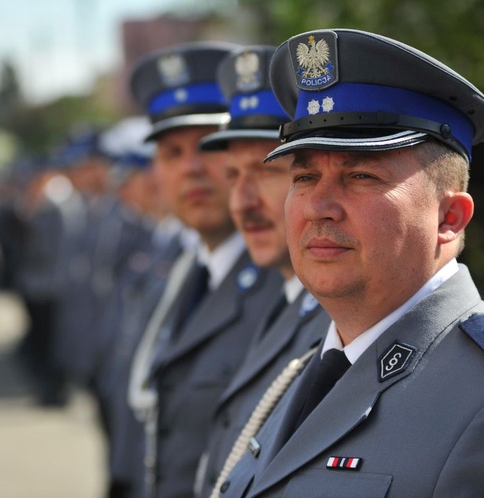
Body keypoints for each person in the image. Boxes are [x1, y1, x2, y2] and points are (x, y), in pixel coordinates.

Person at [215, 28, 484, 498]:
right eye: (305, 175)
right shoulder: (306, 370)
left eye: (360, 175)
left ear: (449, 217)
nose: (319, 206)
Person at [127, 42, 285, 498]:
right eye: (172, 153)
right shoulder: (185, 270)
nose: (191, 169)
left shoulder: (295, 282)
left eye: (207, 145)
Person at [193, 45, 330, 498]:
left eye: (266, 170)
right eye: (232, 176)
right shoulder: (284, 298)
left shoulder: (344, 320)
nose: (241, 202)